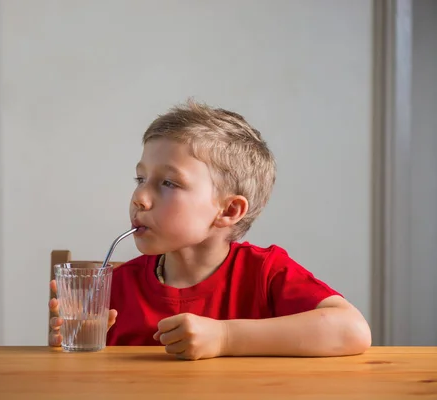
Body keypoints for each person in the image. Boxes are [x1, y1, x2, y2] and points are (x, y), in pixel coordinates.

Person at [48, 100, 371, 360]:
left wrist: (225, 337)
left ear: (228, 211)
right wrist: (71, 347)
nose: (140, 198)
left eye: (168, 183)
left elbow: (352, 330)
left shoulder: (265, 273)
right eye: (140, 179)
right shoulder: (112, 289)